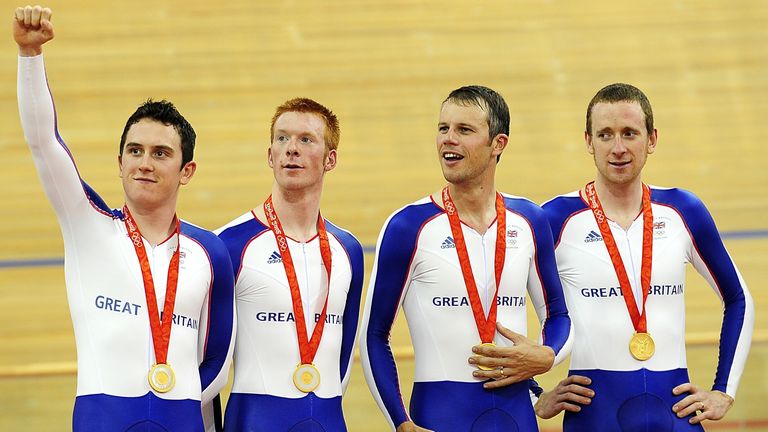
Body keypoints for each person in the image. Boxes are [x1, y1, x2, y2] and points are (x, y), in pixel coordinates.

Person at [14, 6, 236, 431]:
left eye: (160, 153)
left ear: (186, 171)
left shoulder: (210, 252)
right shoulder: (87, 225)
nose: (144, 163)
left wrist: (177, 406)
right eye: (135, 151)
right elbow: (44, 143)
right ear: (119, 162)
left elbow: (218, 361)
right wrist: (30, 55)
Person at [531, 83, 754, 431]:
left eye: (629, 133)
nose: (618, 148)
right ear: (588, 141)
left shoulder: (684, 211)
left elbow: (739, 298)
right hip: (594, 415)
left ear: (651, 139)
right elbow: (500, 300)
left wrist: (723, 390)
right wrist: (533, 394)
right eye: (605, 134)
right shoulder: (555, 218)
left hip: (676, 414)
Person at [359, 85, 572, 432]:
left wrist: (547, 356)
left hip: (516, 417)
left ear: (498, 144)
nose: (448, 140)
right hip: (438, 417)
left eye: (464, 130)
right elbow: (374, 335)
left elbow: (558, 315)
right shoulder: (408, 226)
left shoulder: (530, 220)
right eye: (443, 128)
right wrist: (401, 423)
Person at [216, 97, 364, 431]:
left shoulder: (348, 250)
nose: (291, 149)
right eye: (282, 138)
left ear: (331, 159)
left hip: (327, 420)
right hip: (252, 421)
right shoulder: (228, 244)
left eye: (306, 140)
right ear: (270, 155)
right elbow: (204, 360)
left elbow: (342, 361)